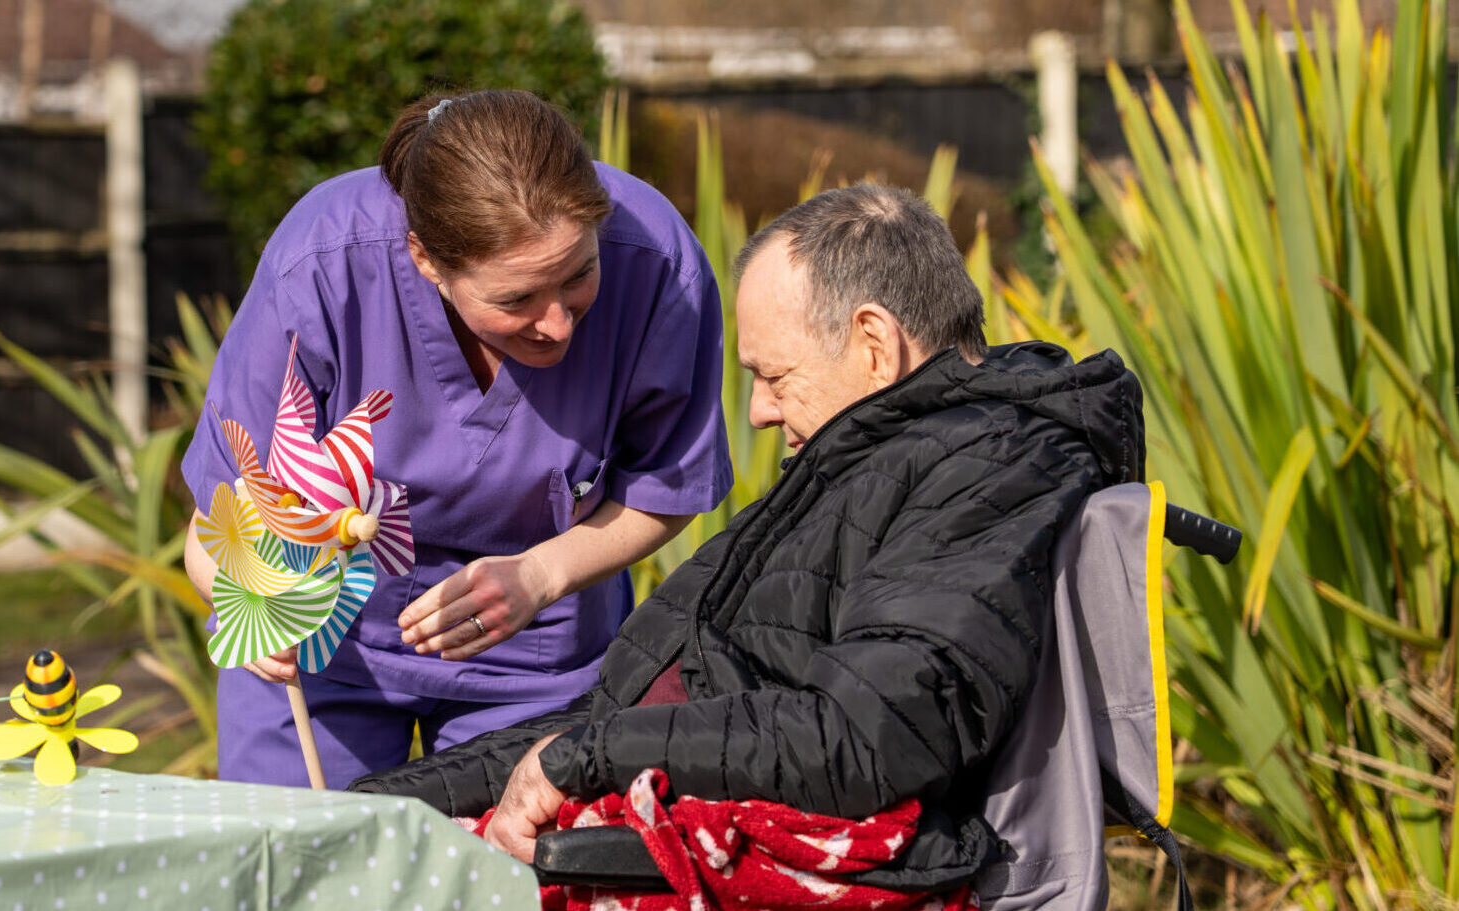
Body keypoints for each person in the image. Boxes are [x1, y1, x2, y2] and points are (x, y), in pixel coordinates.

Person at [350, 183, 1146, 889]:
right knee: (357, 834)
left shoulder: (989, 465)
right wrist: (372, 806)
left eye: (775, 375)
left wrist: (582, 759)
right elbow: (618, 710)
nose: (760, 411)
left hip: (730, 852)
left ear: (873, 343)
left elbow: (866, 738)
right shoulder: (875, 457)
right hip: (651, 800)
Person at [180, 90, 733, 788]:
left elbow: (668, 481)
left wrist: (541, 574)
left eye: (579, 275)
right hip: (324, 649)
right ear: (425, 259)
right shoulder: (320, 264)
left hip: (538, 657)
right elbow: (221, 516)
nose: (559, 323)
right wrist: (252, 603)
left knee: (513, 884)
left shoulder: (658, 264)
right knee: (299, 874)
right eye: (516, 300)